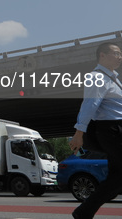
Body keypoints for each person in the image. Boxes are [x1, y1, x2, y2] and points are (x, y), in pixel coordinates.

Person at [69, 42, 122, 218]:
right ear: (102, 55)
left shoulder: (113, 77)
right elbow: (90, 105)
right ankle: (84, 211)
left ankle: (84, 212)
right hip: (112, 130)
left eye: (120, 54)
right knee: (117, 178)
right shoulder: (97, 77)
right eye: (116, 53)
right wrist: (79, 133)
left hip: (115, 129)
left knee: (116, 178)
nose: (120, 57)